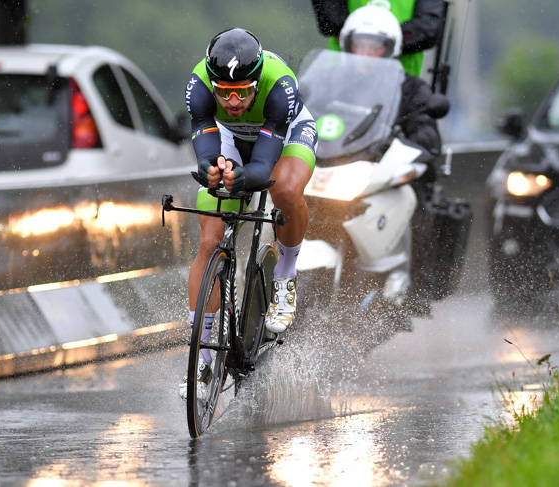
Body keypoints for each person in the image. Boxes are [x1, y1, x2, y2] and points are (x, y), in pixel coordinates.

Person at [181, 28, 318, 394]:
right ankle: (201, 359)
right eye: (224, 93)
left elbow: (263, 167)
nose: (234, 101)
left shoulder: (280, 87)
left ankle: (285, 276)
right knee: (209, 241)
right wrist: (213, 170)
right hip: (230, 137)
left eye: (242, 90)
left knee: (286, 190)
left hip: (282, 135)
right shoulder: (197, 86)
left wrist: (243, 177)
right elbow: (207, 148)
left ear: (257, 80)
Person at [340, 5, 444, 312]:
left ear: (391, 49)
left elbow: (426, 134)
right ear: (348, 45)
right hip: (337, 172)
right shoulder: (334, 82)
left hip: (378, 176)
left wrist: (402, 150)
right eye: (361, 45)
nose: (367, 53)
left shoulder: (409, 88)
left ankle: (408, 279)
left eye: (377, 46)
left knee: (412, 195)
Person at [310, 0, 445, 77]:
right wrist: (349, 33)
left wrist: (384, 43)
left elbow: (429, 28)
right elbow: (329, 19)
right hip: (342, 75)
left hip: (398, 83)